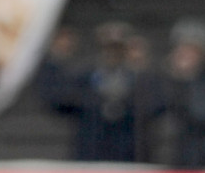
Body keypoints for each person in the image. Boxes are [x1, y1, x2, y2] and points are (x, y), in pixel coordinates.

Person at [35, 21, 164, 162]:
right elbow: (57, 102)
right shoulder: (84, 78)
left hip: (128, 156)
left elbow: (156, 107)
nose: (113, 53)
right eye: (108, 48)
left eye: (118, 48)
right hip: (91, 156)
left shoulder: (140, 80)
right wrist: (55, 62)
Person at [160, 17, 205, 168]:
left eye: (190, 49)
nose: (183, 54)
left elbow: (202, 113)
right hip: (187, 156)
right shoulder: (177, 76)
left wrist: (183, 80)